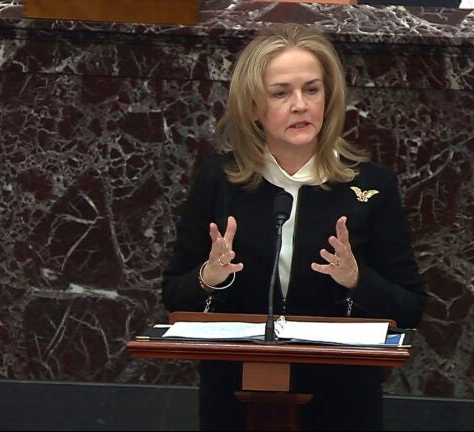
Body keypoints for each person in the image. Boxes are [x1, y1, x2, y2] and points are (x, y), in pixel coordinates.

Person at [161, 22, 427, 431]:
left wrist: (357, 280)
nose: (300, 105)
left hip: (341, 396)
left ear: (329, 97)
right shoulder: (220, 180)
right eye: (281, 93)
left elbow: (411, 306)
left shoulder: (371, 185)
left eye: (312, 90)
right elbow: (172, 294)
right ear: (253, 107)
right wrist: (209, 278)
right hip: (237, 393)